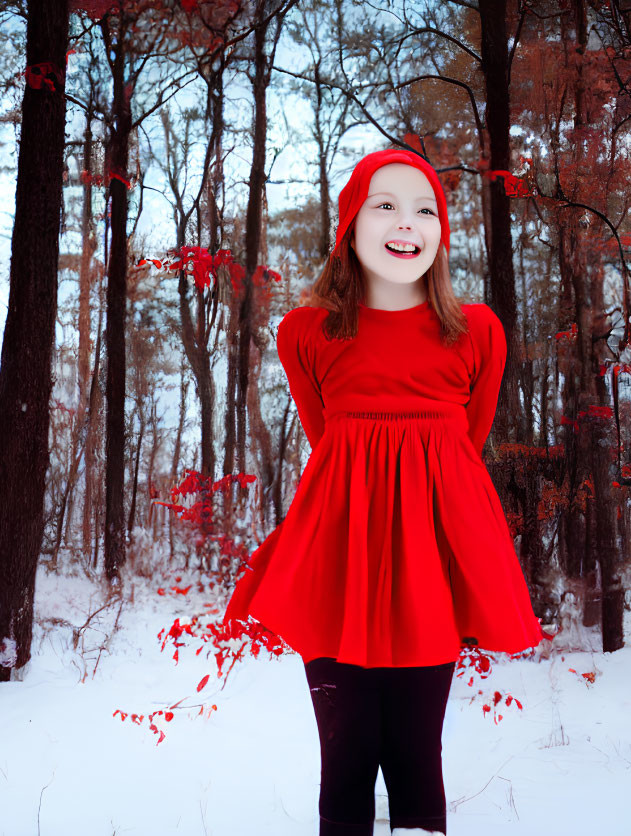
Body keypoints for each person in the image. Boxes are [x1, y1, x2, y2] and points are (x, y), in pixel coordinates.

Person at [223, 147, 545, 836]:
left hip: (429, 568)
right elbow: (325, 438)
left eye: (425, 208)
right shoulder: (307, 331)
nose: (407, 223)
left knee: (415, 756)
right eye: (387, 204)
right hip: (339, 560)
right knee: (344, 760)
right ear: (350, 224)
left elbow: (465, 444)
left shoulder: (477, 332)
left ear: (443, 231)